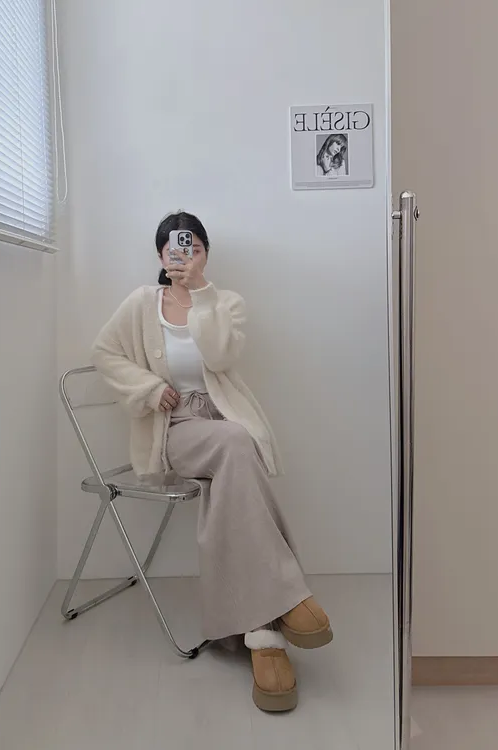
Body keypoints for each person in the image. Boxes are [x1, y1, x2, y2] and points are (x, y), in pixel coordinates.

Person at [91, 211, 333, 713]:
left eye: (194, 248)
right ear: (161, 255)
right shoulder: (141, 303)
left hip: (223, 424)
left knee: (233, 464)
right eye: (175, 249)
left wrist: (201, 292)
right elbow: (105, 352)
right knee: (236, 444)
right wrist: (148, 387)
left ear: (205, 253)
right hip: (176, 428)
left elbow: (221, 358)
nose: (185, 256)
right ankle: (288, 598)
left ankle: (261, 632)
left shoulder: (226, 303)